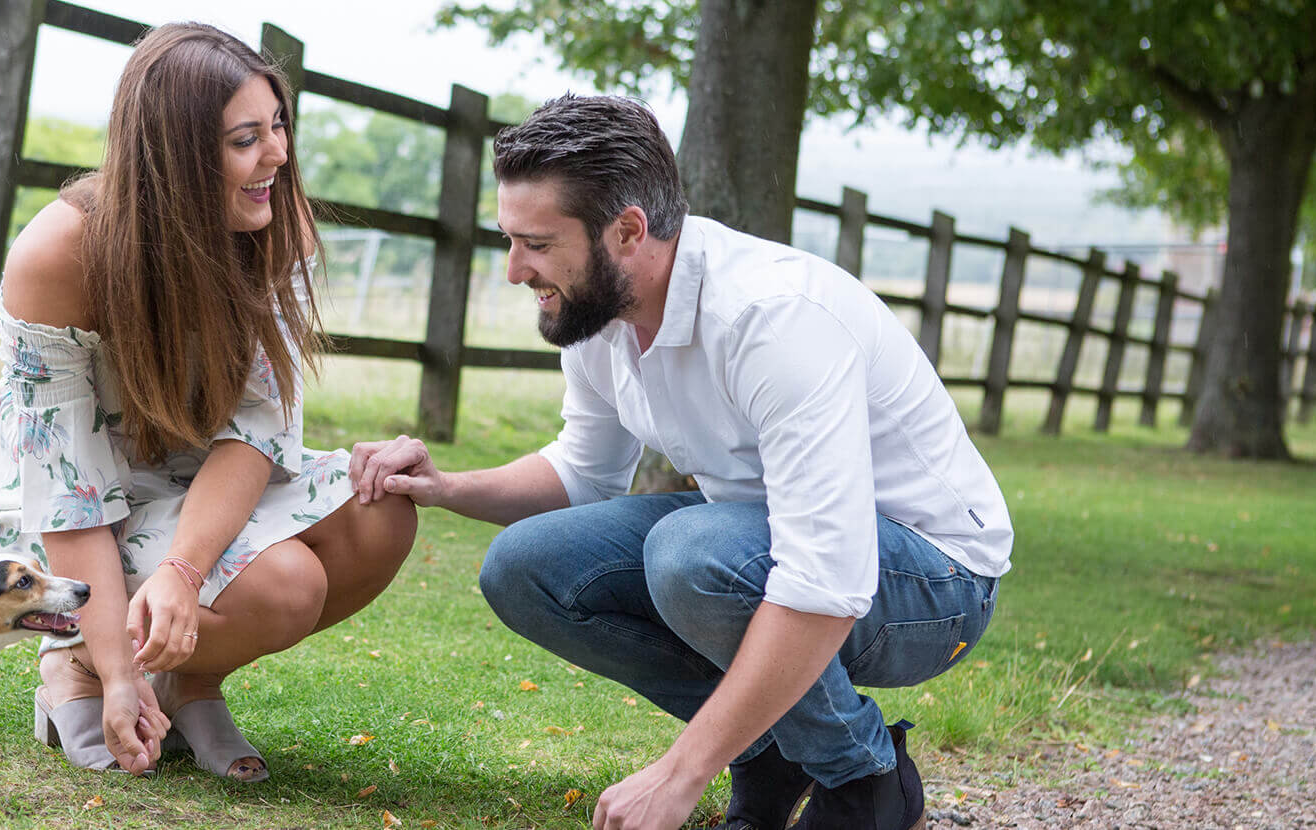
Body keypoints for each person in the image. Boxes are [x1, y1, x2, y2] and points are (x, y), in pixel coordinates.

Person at [349, 95, 1011, 830]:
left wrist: (679, 772)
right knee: (524, 567)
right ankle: (770, 746)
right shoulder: (600, 316)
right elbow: (583, 472)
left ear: (628, 230)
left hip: (936, 580)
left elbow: (827, 576)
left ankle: (863, 781)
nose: (514, 270)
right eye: (511, 240)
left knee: (692, 553)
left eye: (536, 243)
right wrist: (444, 487)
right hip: (769, 547)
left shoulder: (771, 320)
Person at [0, 22, 417, 781]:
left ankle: (188, 681)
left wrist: (183, 569)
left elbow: (255, 430)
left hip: (204, 478)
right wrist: (112, 670)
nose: (277, 155)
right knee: (286, 586)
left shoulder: (277, 227)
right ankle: (76, 669)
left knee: (382, 515)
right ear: (173, 155)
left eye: (279, 126)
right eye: (247, 139)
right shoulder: (60, 255)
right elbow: (70, 490)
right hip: (68, 499)